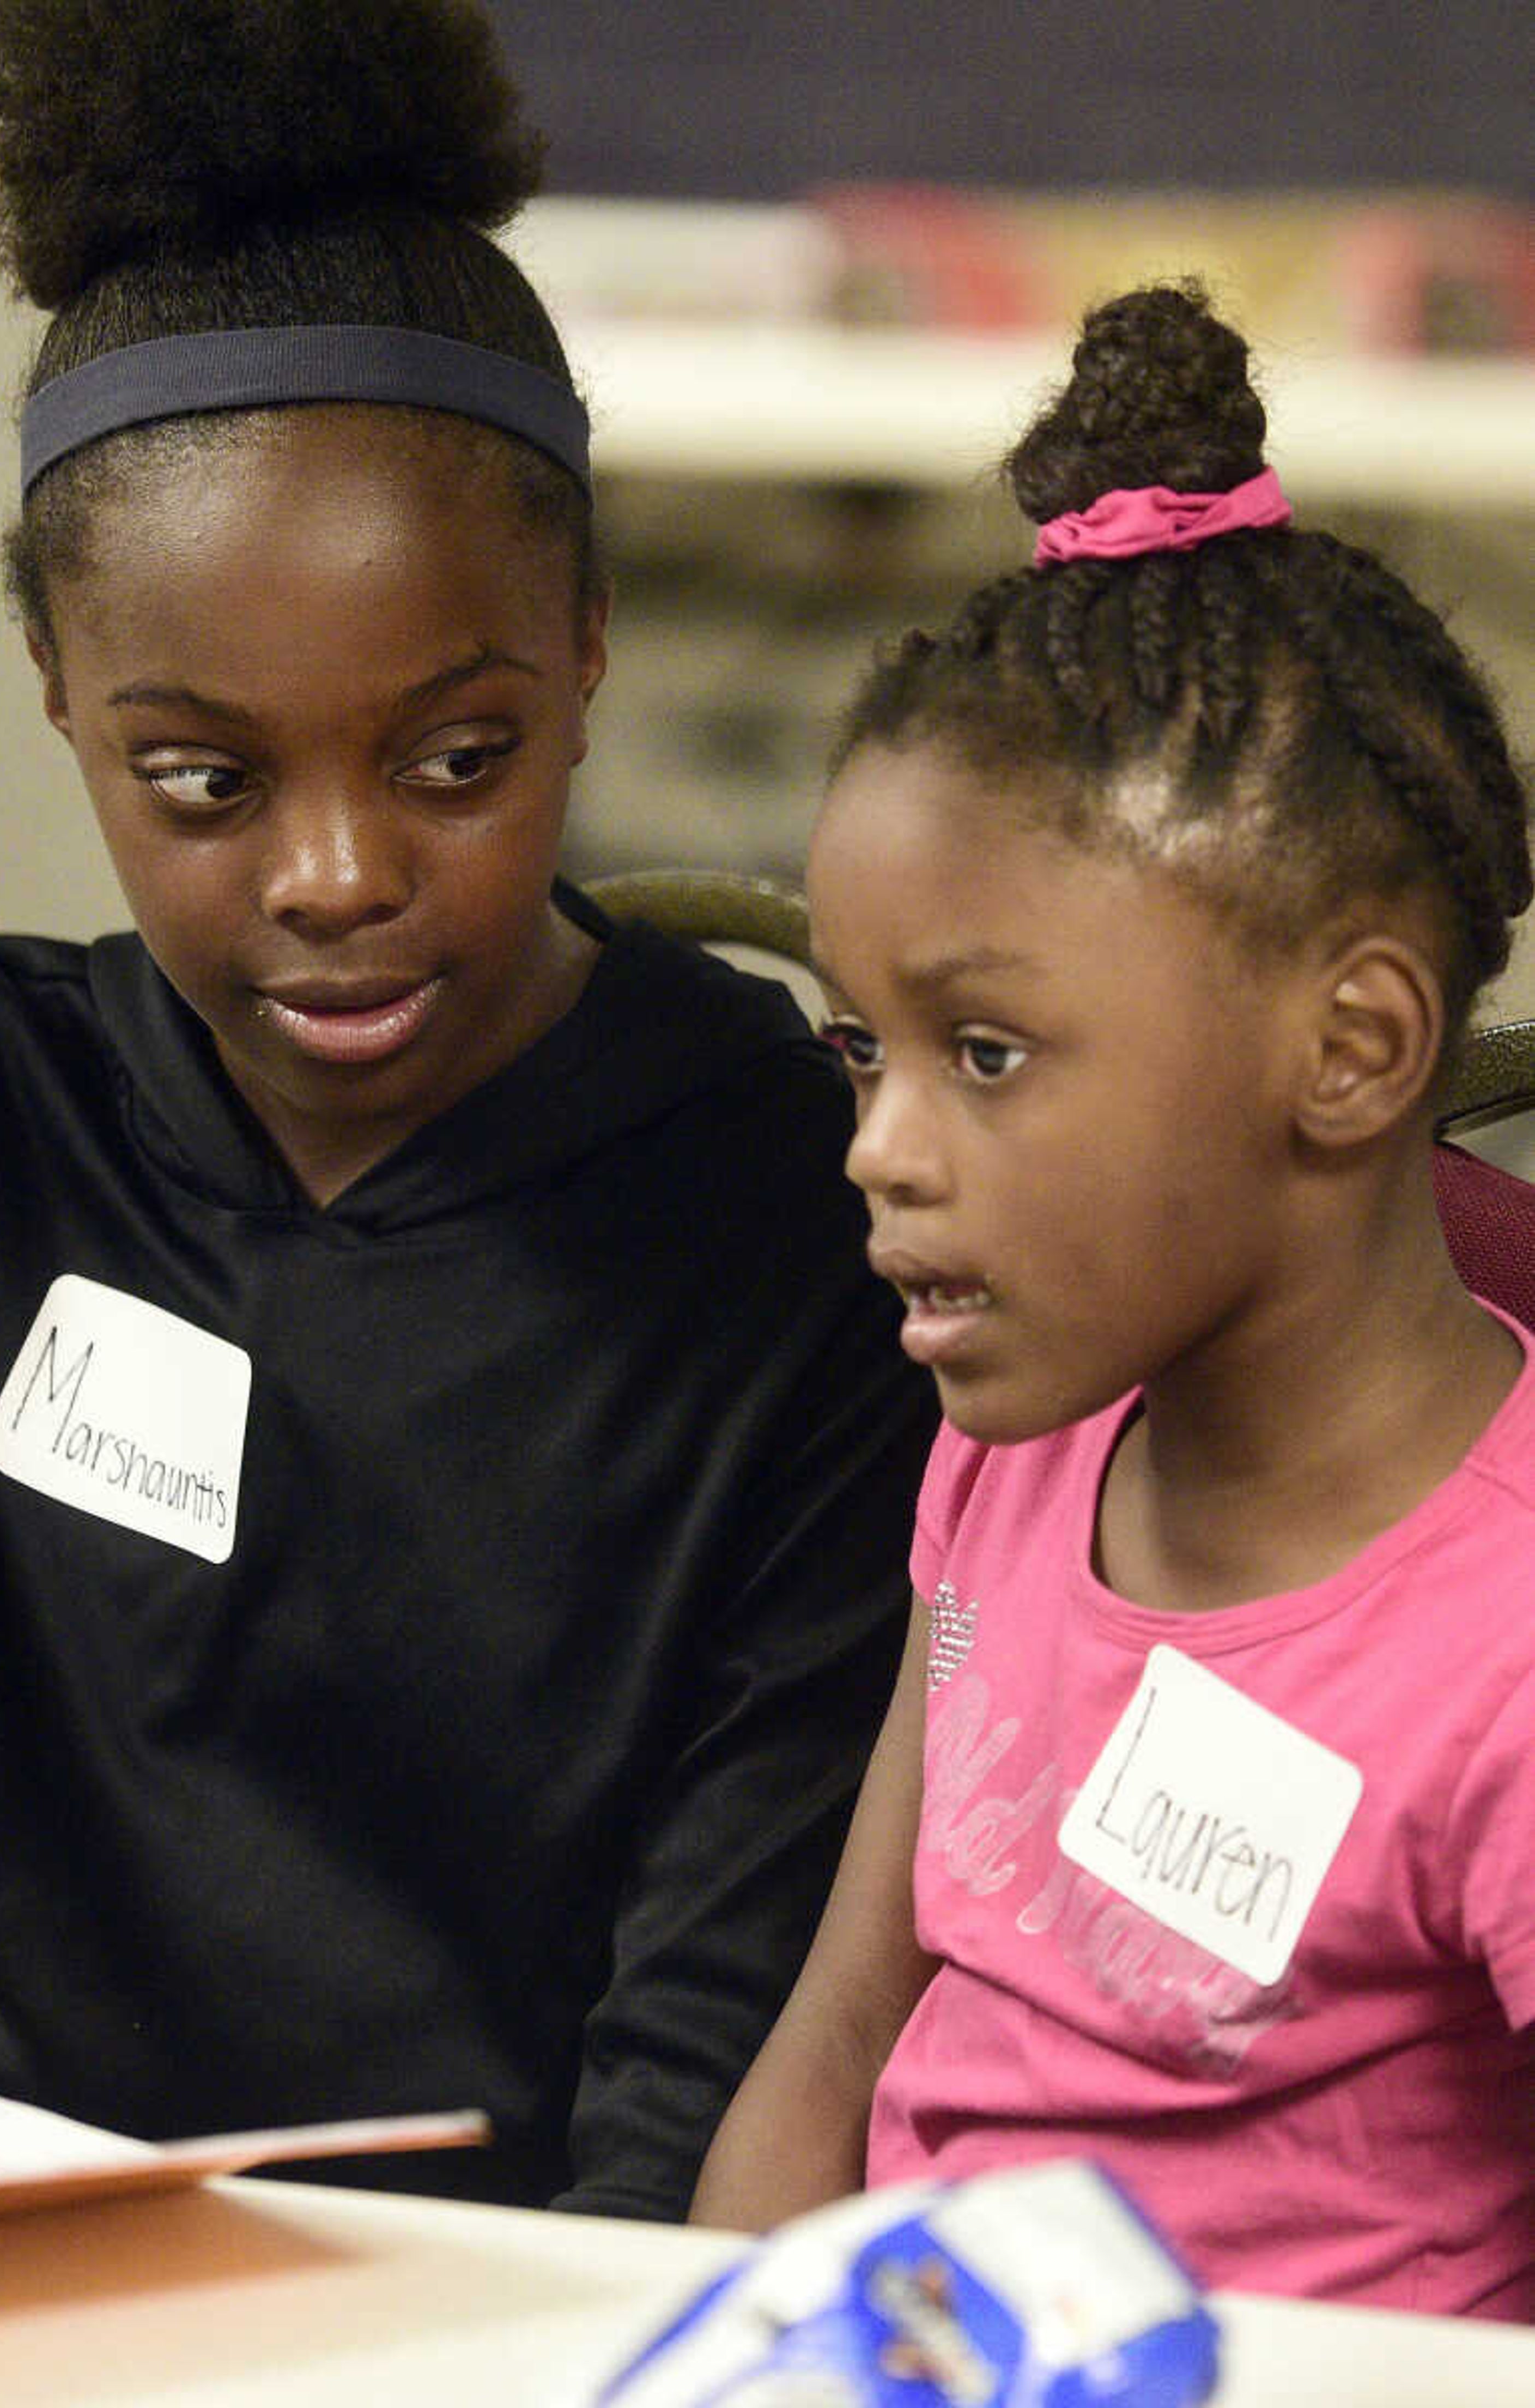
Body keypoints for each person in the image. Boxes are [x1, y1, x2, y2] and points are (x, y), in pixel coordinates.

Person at [0, 0, 933, 2221]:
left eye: (457, 760)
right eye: (207, 781)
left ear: (591, 641)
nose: (337, 879)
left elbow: (748, 1923)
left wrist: (596, 2333)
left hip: (528, 2270)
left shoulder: (793, 1185)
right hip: (6, 2209)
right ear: (59, 693)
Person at [691, 283, 1535, 2316]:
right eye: (857, 1050)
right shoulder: (1016, 1455)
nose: (879, 1147)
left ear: (1349, 1050)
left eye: (982, 1053)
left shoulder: (1505, 1647)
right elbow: (837, 2039)